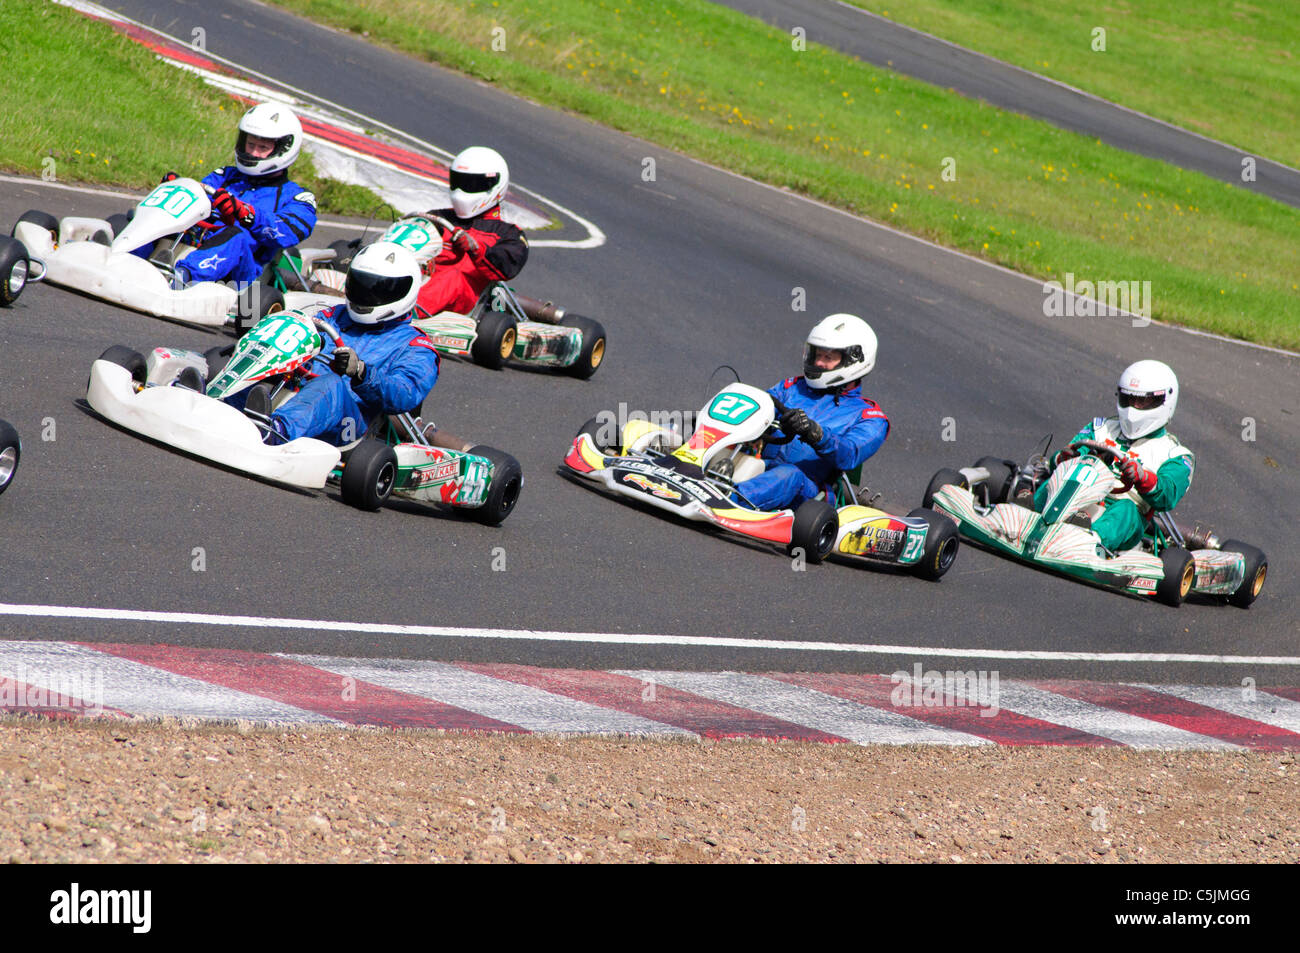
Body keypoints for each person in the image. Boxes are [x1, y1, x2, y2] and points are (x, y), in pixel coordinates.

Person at [244, 242, 440, 446]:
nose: (366, 295)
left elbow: (404, 395)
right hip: (293, 391)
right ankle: (219, 403)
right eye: (361, 285)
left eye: (377, 289)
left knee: (331, 384)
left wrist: (362, 373)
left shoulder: (416, 346)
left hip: (350, 426)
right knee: (257, 356)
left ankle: (275, 433)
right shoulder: (333, 316)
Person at [1031, 359, 1195, 552]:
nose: (1134, 407)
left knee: (1126, 509)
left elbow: (1168, 495)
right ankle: (1030, 517)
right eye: (1129, 399)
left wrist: (1142, 477)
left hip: (1121, 518)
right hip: (1078, 497)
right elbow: (1062, 459)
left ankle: (1089, 543)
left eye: (1143, 401)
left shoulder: (1175, 454)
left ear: (1164, 401)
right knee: (1054, 482)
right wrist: (1064, 458)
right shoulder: (1100, 428)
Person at [152, 102, 317, 288]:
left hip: (242, 277)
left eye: (262, 148)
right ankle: (123, 256)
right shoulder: (225, 176)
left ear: (283, 150)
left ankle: (180, 280)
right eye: (250, 144)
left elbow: (288, 232)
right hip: (194, 244)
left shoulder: (297, 197)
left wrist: (247, 214)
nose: (253, 153)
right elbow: (196, 195)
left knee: (234, 236)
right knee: (157, 215)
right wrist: (178, 187)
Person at [734, 314, 889, 511]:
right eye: (817, 355)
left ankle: (728, 499)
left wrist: (815, 432)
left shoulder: (868, 417)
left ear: (853, 361)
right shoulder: (791, 388)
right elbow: (758, 406)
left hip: (810, 491)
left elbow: (849, 454)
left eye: (829, 358)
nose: (819, 363)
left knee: (789, 475)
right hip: (760, 466)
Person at [415, 146, 528, 315]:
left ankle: (409, 314)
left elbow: (506, 266)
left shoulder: (508, 234)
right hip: (420, 282)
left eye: (471, 184)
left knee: (453, 277)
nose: (461, 190)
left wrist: (476, 248)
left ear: (494, 184)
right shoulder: (437, 217)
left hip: (465, 302)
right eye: (459, 182)